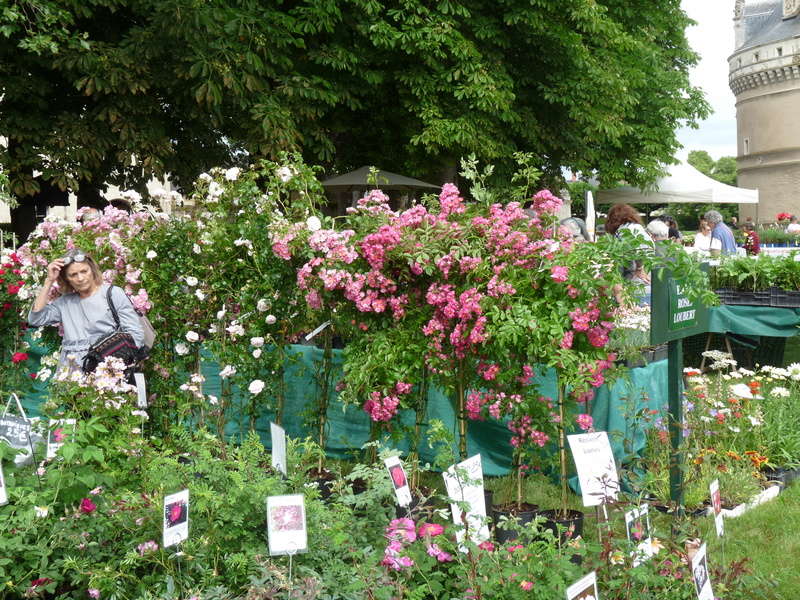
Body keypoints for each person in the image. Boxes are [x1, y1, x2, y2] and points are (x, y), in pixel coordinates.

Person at [28, 249, 144, 373]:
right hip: (72, 372)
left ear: (92, 270)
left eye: (84, 271)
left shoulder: (112, 293)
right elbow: (36, 319)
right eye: (73, 275)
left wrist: (116, 365)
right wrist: (49, 281)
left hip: (106, 370)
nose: (80, 278)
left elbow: (135, 334)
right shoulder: (64, 302)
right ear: (66, 279)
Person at [605, 204, 653, 305]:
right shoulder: (638, 227)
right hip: (648, 285)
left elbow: (615, 269)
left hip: (633, 288)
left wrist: (639, 268)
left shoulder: (622, 231)